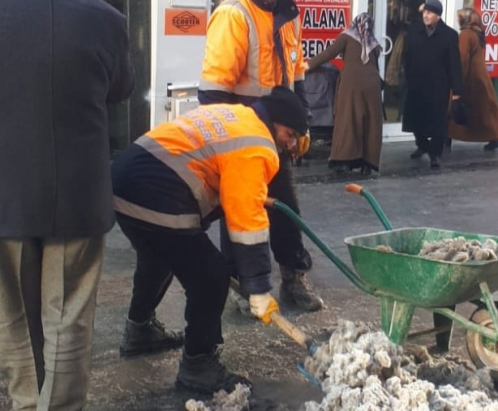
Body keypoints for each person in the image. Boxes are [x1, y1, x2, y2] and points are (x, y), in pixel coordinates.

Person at [112, 87, 309, 394]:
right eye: (290, 134)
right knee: (211, 277)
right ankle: (198, 366)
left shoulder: (236, 115)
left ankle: (140, 331)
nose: (291, 144)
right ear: (275, 122)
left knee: (159, 255)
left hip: (124, 179)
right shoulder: (257, 143)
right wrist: (257, 287)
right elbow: (246, 222)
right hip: (156, 189)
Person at [0, 1, 134, 410]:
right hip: (77, 193)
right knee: (69, 317)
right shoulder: (106, 19)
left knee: (13, 316)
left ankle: (26, 404)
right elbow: (121, 88)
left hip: (5, 191)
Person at [197, 0, 324, 313]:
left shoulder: (290, 16)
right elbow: (213, 92)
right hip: (241, 133)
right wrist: (226, 145)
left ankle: (293, 277)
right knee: (240, 208)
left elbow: (296, 77)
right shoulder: (234, 15)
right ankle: (242, 285)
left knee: (285, 208)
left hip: (277, 132)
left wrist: (301, 124)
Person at [306, 13, 384, 175]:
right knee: (371, 124)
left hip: (351, 84)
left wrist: (307, 66)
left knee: (348, 120)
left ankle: (343, 161)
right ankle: (368, 164)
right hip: (372, 85)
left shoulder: (347, 36)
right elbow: (375, 66)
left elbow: (329, 53)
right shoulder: (373, 43)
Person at [402, 0, 463, 169]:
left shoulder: (449, 35)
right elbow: (406, 55)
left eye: (429, 13)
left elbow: (454, 64)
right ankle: (422, 145)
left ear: (438, 15)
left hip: (438, 86)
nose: (426, 15)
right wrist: (408, 75)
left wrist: (456, 89)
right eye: (424, 12)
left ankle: (435, 153)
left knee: (437, 121)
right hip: (417, 83)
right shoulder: (415, 30)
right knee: (415, 119)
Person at [447, 8, 498, 151]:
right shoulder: (478, 33)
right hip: (481, 78)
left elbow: (461, 59)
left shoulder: (465, 34)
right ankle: (493, 137)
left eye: (459, 17)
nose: (457, 20)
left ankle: (447, 137)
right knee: (484, 111)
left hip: (470, 79)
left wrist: (457, 81)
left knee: (455, 109)